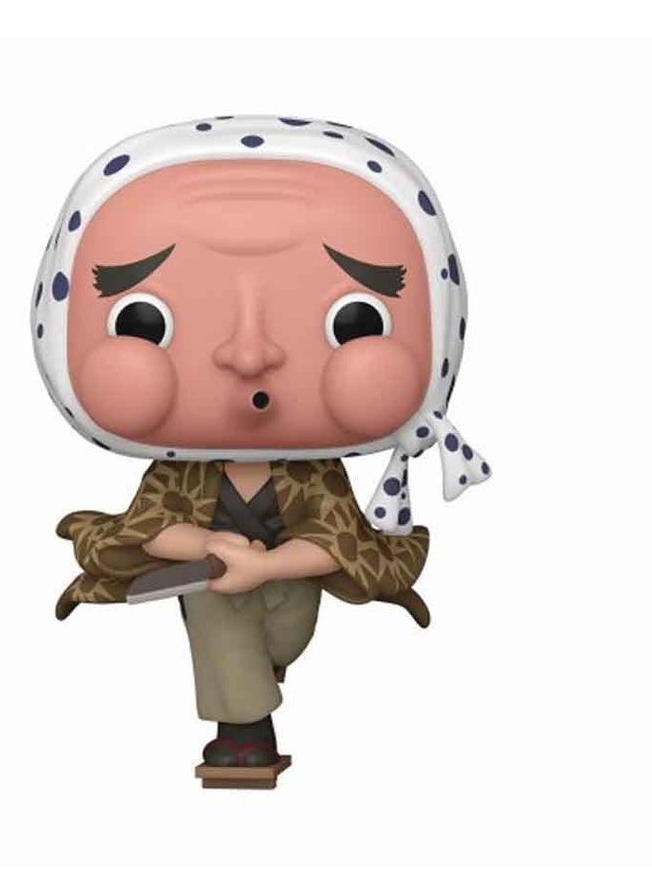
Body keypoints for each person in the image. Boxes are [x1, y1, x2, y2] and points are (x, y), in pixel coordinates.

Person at [32, 115, 490, 769]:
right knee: (216, 600)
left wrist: (268, 566)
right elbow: (150, 524)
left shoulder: (313, 471)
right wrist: (211, 548)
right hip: (212, 582)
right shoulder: (183, 469)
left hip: (288, 589)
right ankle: (244, 740)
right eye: (143, 322)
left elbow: (337, 536)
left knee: (268, 623)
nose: (249, 356)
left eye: (355, 322)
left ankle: (252, 675)